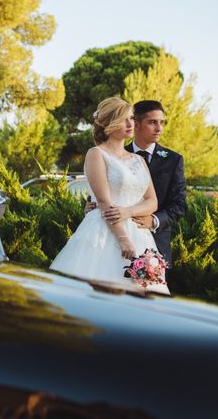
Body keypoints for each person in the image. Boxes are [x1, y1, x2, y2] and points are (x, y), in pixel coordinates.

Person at [49, 96, 170, 294]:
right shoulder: (96, 154)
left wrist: (128, 211)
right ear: (109, 123)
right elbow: (104, 201)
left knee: (145, 299)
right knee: (96, 294)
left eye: (132, 118)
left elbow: (152, 201)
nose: (131, 124)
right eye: (125, 119)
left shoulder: (139, 161)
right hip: (104, 232)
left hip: (140, 236)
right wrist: (123, 238)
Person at [125, 100, 187, 266]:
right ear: (136, 124)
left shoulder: (174, 160)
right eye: (152, 122)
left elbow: (180, 205)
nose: (159, 128)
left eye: (161, 122)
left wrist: (154, 220)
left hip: (157, 246)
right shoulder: (117, 155)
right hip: (119, 240)